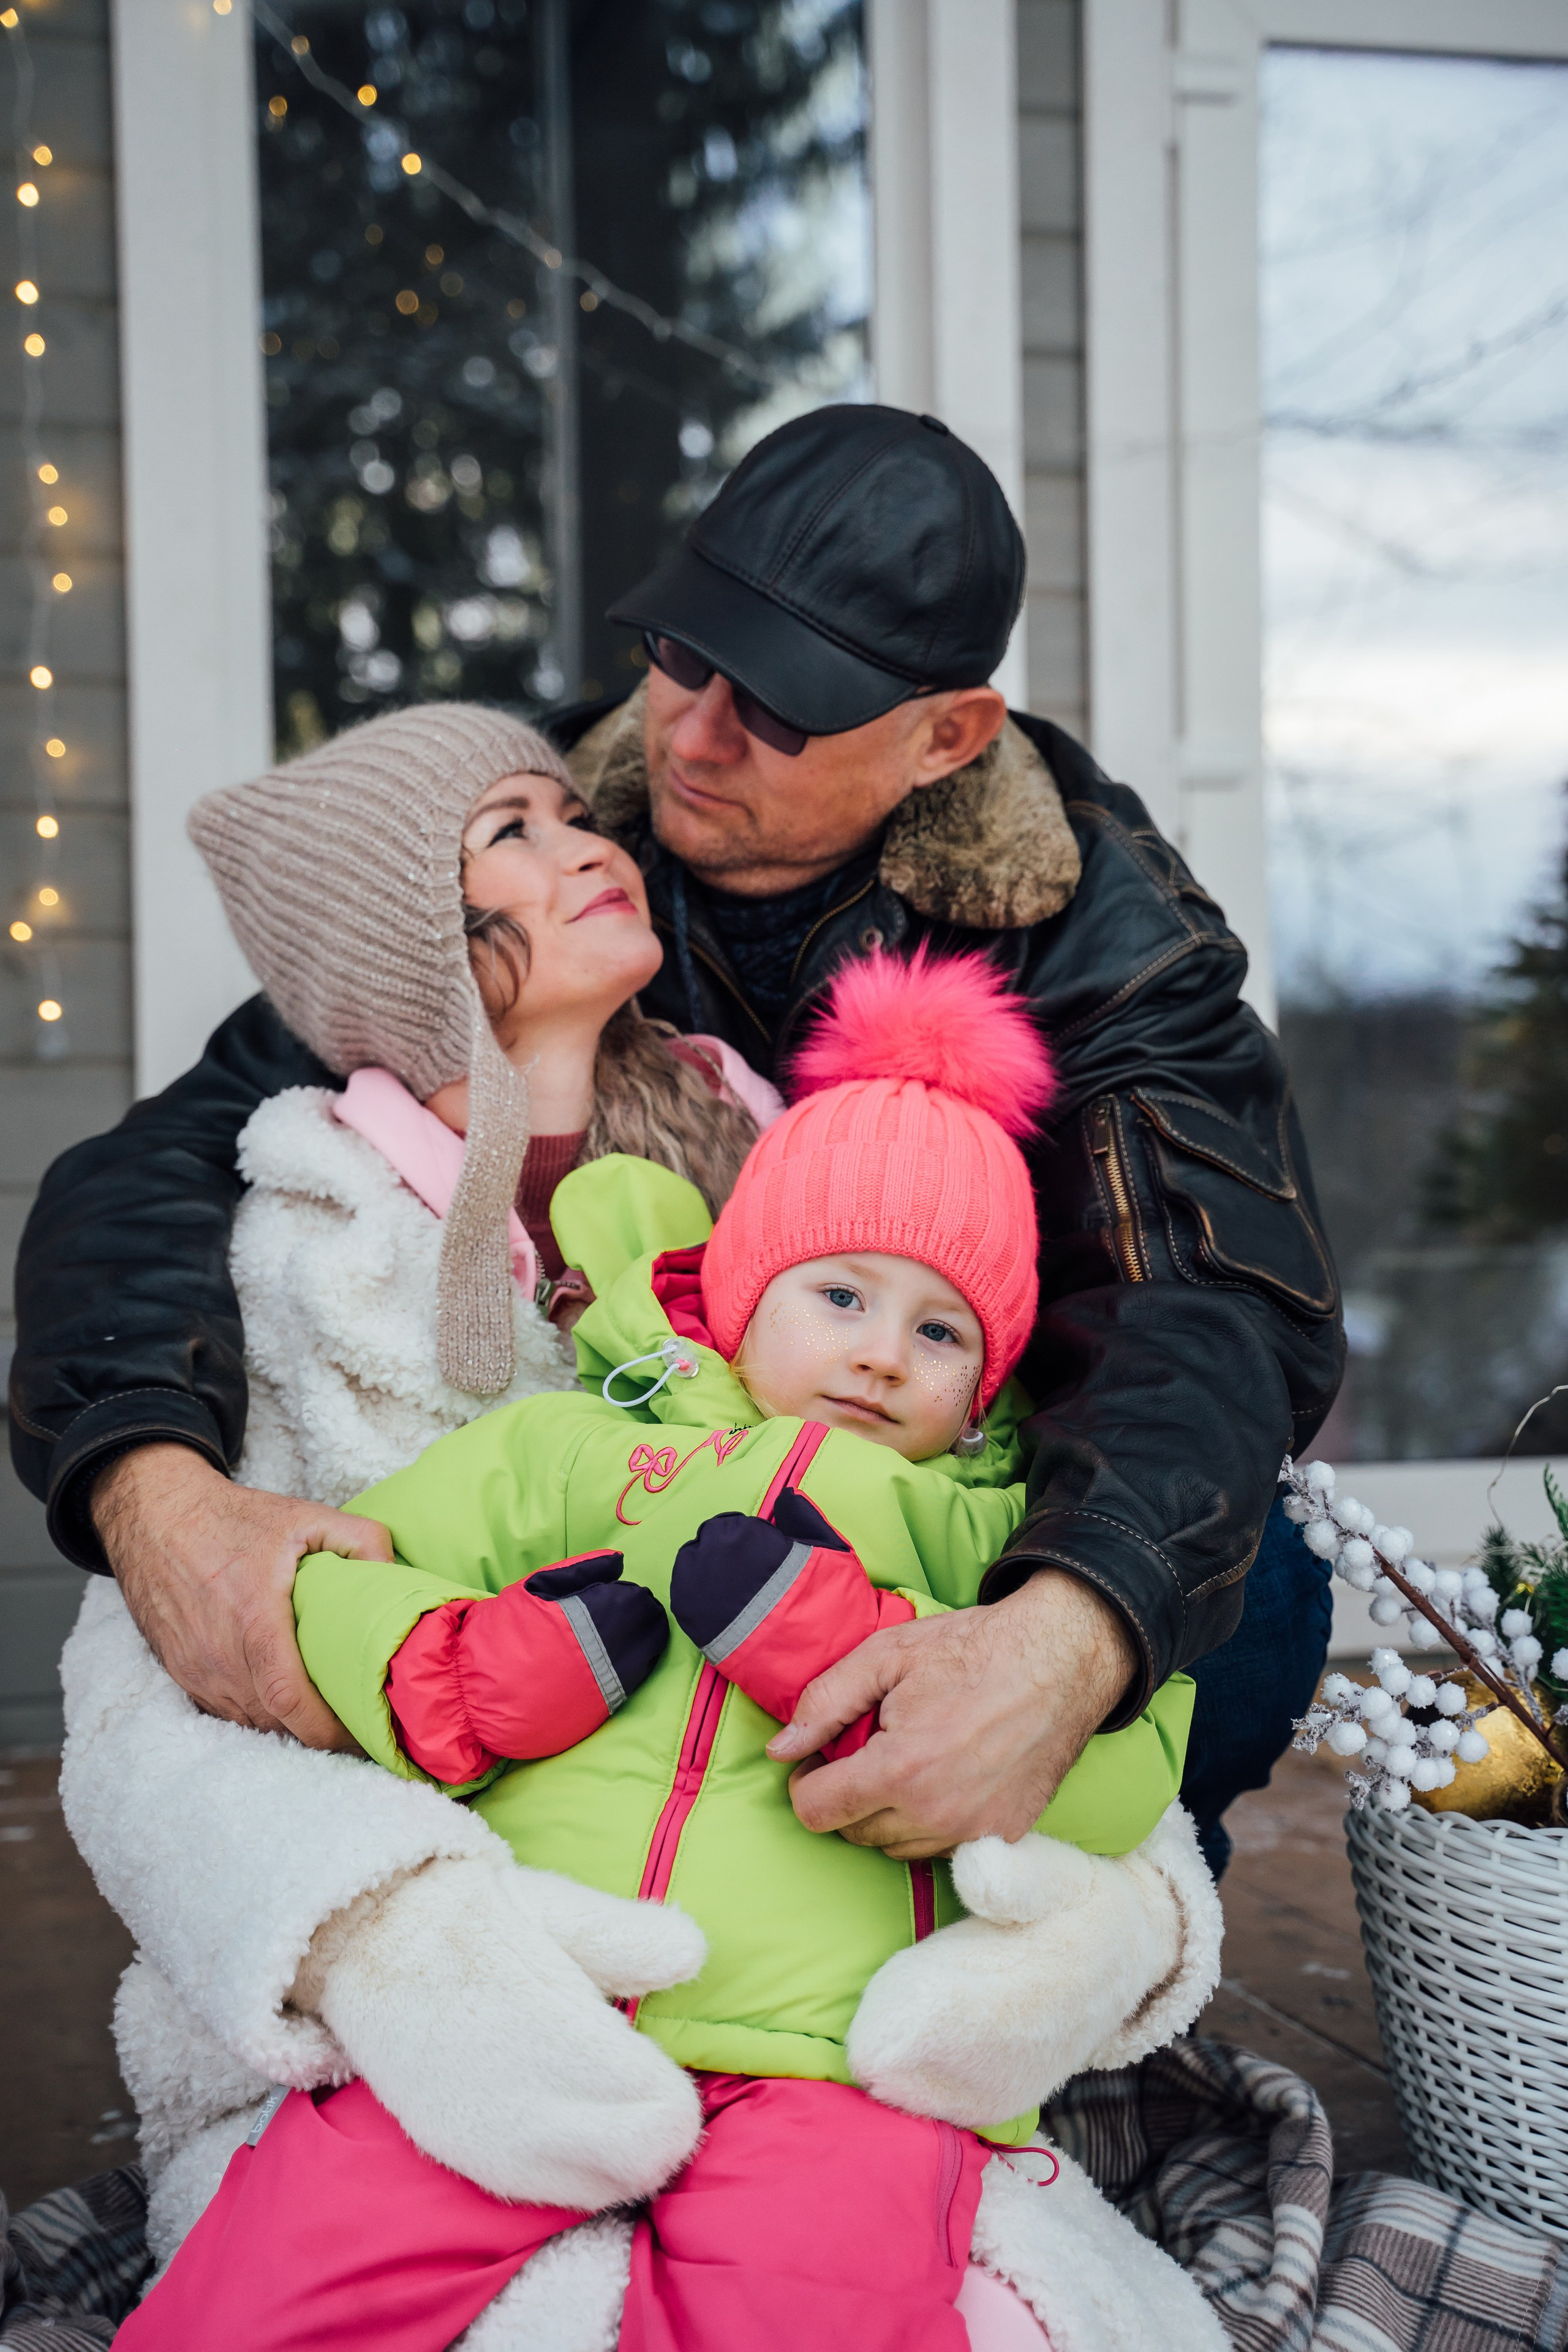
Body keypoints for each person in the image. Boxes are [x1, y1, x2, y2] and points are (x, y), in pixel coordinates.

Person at [12, 402, 1344, 1872]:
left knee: (1252, 1596)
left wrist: (1065, 1631)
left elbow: (1215, 1304)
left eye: (777, 704)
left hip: (950, 1492)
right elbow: (170, 1160)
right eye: (681, 655)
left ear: (943, 735)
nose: (692, 737)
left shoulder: (1105, 931)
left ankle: (1075, 2038)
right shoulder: (560, 840)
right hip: (626, 1490)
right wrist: (154, 1494)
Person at [119, 948, 1219, 2352]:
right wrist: (459, 1668)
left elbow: (1122, 1761)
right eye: (838, 1294)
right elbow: (339, 1572)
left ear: (986, 1377)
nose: (880, 1353)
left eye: (937, 1329)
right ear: (741, 1286)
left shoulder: (981, 1532)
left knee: (817, 2308)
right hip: (535, 2001)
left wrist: (869, 1653)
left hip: (824, 2057)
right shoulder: (571, 1450)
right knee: (292, 2265)